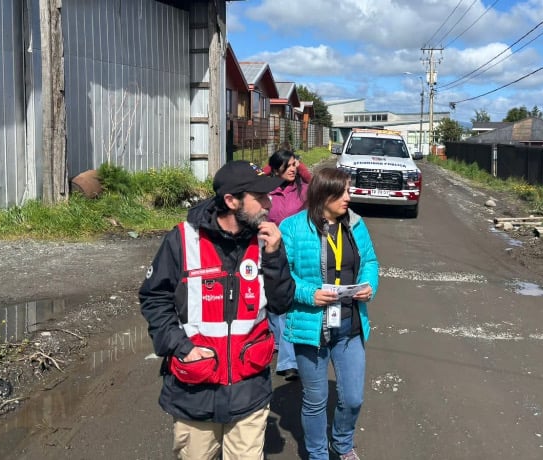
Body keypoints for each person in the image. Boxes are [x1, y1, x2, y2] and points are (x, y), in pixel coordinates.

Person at [139, 160, 294, 460]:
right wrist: (178, 346)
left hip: (250, 388)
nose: (269, 203)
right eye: (259, 197)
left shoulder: (267, 241)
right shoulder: (182, 239)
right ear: (231, 201)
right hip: (195, 388)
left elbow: (282, 302)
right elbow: (154, 298)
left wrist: (275, 256)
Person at [279, 168, 380, 460]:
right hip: (311, 327)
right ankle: (317, 453)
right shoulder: (293, 227)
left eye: (349, 191)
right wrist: (308, 294)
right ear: (324, 195)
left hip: (349, 325)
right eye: (343, 192)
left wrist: (369, 285)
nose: (349, 197)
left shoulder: (356, 225)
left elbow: (370, 261)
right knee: (315, 401)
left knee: (353, 398)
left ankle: (343, 443)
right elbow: (284, 275)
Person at [265, 148, 309, 381]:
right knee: (272, 304)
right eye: (288, 165)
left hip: (296, 254)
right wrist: (273, 169)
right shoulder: (266, 192)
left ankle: (289, 360)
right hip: (269, 252)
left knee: (286, 303)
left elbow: (314, 181)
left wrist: (298, 167)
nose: (293, 168)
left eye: (295, 164)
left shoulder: (304, 191)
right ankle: (277, 343)